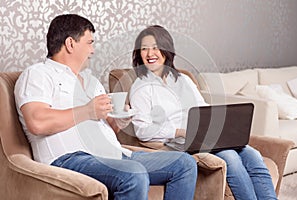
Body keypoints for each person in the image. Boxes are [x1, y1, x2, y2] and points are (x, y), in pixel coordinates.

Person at [14, 14, 198, 200]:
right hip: (69, 158)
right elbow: (36, 122)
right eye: (89, 42)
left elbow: (109, 127)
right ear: (70, 44)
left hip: (114, 155)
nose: (93, 50)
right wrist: (87, 110)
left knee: (184, 163)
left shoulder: (90, 80)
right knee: (134, 173)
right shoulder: (38, 74)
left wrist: (120, 120)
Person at [129, 25, 277, 200]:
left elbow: (203, 107)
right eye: (144, 49)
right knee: (230, 156)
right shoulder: (141, 87)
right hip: (181, 144)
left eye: (155, 47)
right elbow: (142, 130)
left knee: (252, 154)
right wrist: (180, 132)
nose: (149, 53)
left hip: (206, 136)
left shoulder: (182, 79)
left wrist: (222, 125)